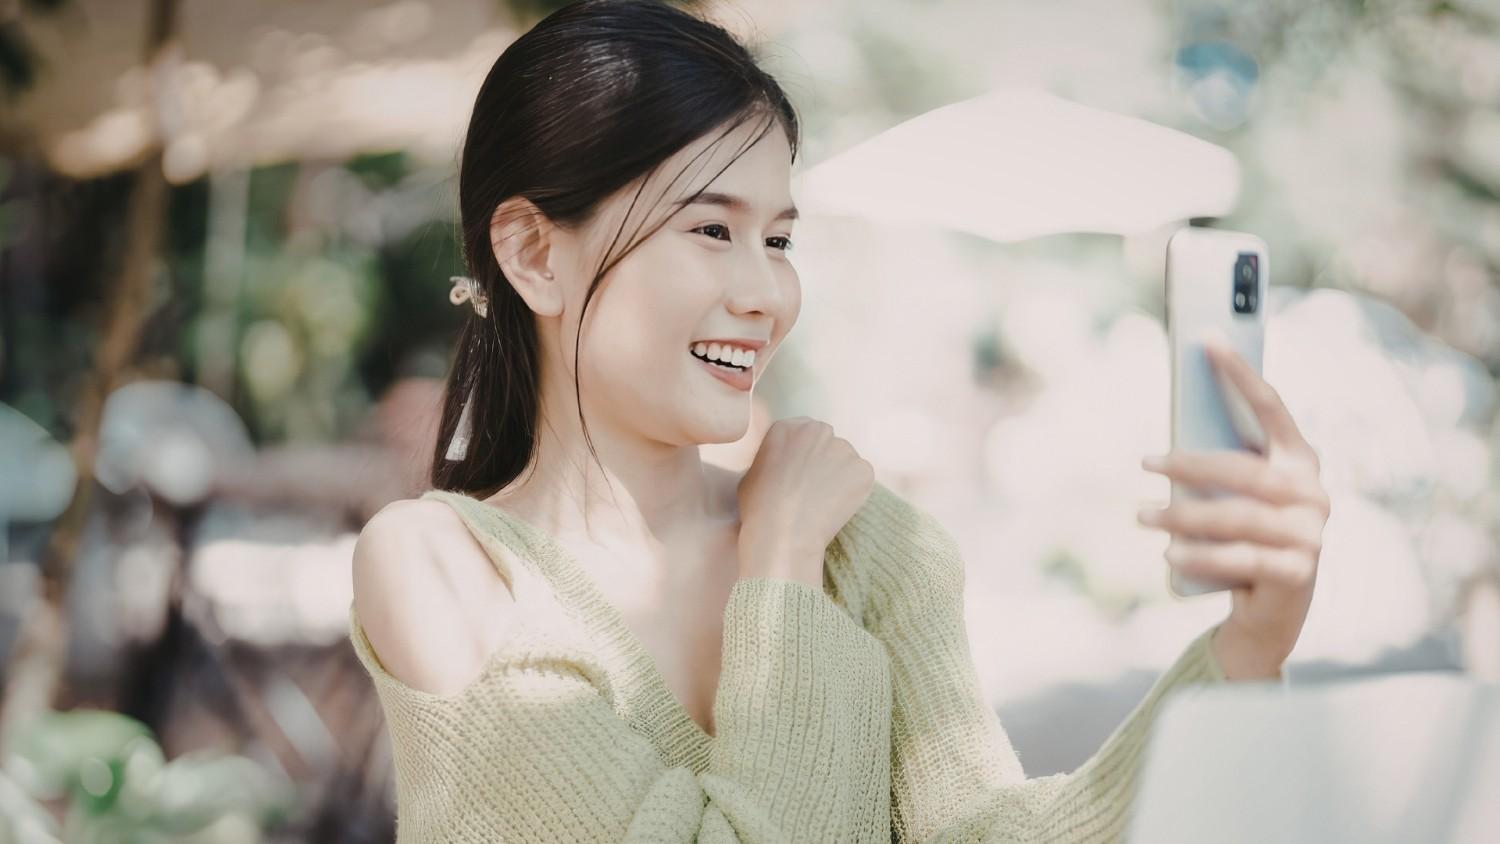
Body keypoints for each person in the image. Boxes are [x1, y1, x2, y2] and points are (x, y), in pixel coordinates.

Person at [347, 1, 1331, 841]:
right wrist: (780, 571)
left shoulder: (870, 549)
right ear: (532, 254)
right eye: (712, 229)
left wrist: (1249, 646)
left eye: (778, 238)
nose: (766, 291)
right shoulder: (444, 572)